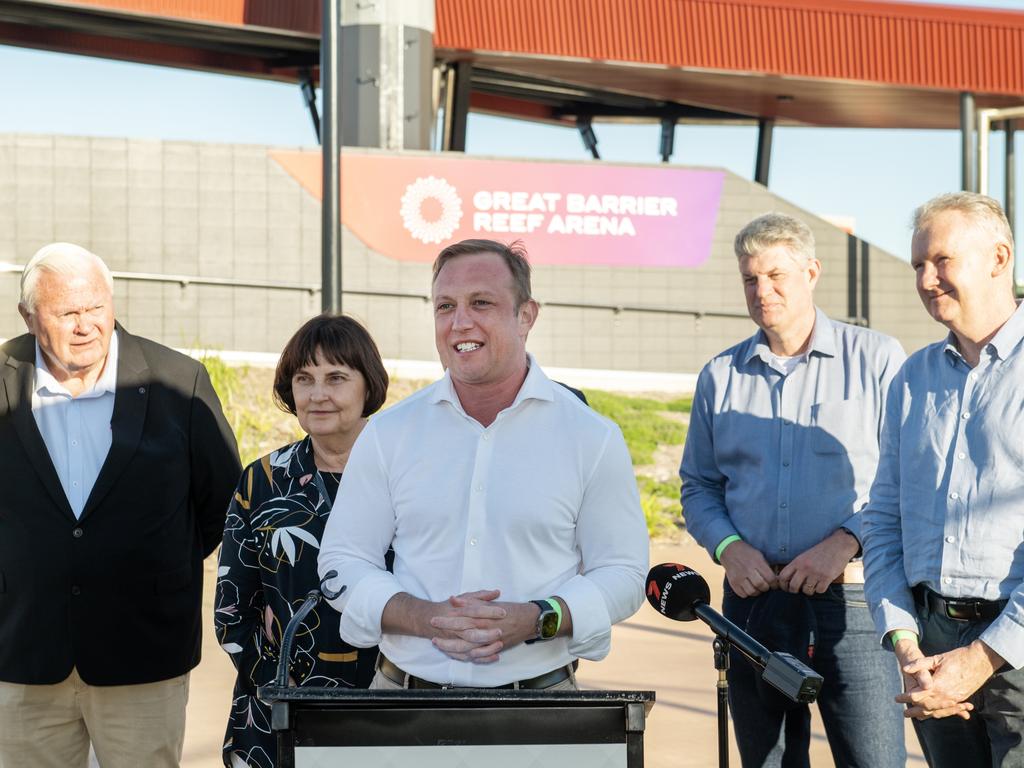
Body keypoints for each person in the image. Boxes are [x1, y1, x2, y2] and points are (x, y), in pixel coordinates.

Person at [317, 238, 648, 689]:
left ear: (526, 316)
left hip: (541, 709)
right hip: (400, 702)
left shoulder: (592, 437)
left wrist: (536, 620)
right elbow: (343, 559)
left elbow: (623, 573)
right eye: (445, 306)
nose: (459, 322)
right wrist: (425, 618)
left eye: (481, 303)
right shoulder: (390, 433)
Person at [0, 242, 240, 768]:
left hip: (142, 651)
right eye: (67, 313)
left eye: (96, 309)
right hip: (21, 652)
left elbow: (220, 503)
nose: (86, 325)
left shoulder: (179, 382)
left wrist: (152, 563)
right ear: (28, 315)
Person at [679, 213, 907, 767]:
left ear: (811, 271)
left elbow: (904, 482)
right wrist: (730, 550)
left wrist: (845, 542)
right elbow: (698, 487)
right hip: (752, 602)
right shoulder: (719, 375)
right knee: (770, 763)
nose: (763, 291)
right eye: (751, 279)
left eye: (777, 275)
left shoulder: (877, 360)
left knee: (873, 761)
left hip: (853, 603)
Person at [862, 192, 1024, 767]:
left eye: (941, 261)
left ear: (999, 259)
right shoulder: (912, 380)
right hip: (928, 647)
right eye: (917, 266)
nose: (927, 279)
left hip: (1016, 651)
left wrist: (981, 659)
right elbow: (883, 520)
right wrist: (905, 642)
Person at [215, 313, 390, 768]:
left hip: (390, 712)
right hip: (278, 719)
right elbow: (233, 611)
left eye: (336, 377)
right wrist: (281, 689)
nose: (317, 394)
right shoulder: (264, 480)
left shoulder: (408, 476)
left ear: (367, 385)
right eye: (304, 378)